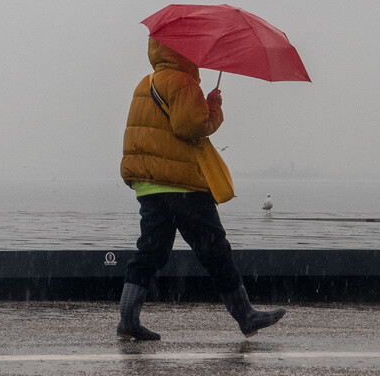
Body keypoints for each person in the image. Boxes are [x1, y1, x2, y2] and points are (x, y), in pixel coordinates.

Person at [116, 37, 286, 340]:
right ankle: (245, 316)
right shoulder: (182, 80)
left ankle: (128, 321)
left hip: (149, 186)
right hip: (182, 185)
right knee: (215, 250)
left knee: (151, 253)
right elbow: (190, 126)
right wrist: (213, 109)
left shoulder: (146, 83)